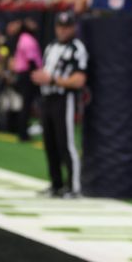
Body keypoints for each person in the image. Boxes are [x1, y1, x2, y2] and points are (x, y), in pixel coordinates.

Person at [31, 12, 87, 198]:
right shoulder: (51, 46)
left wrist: (53, 80)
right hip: (47, 99)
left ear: (73, 28)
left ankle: (74, 186)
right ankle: (56, 184)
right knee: (50, 143)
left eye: (67, 26)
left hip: (65, 99)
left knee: (66, 143)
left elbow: (79, 80)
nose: (63, 30)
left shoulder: (76, 48)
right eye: (60, 26)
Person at [7, 18, 42, 141]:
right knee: (26, 105)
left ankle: (23, 130)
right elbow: (31, 59)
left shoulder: (22, 38)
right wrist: (36, 74)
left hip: (24, 73)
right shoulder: (27, 39)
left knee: (26, 104)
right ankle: (23, 133)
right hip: (28, 74)